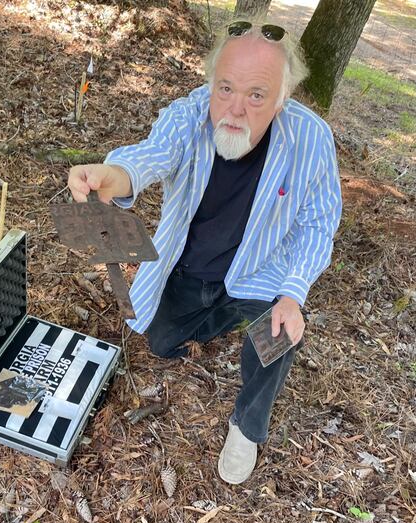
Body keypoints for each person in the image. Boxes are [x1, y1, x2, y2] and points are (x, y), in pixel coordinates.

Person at [67, 20, 342, 484]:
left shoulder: (310, 139)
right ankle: (219, 316)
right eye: (225, 88)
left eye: (257, 95)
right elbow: (150, 156)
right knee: (159, 341)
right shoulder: (189, 114)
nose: (234, 109)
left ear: (282, 99)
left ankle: (247, 427)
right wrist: (112, 175)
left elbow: (318, 223)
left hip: (263, 275)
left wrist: (293, 296)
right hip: (191, 267)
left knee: (277, 334)